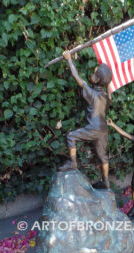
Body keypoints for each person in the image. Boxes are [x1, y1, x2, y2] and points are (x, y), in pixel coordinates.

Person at [58, 50, 112, 189]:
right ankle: (106, 181)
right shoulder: (106, 97)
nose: (92, 74)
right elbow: (109, 93)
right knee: (102, 156)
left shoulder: (91, 92)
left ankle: (73, 163)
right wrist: (108, 83)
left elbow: (77, 78)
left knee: (71, 136)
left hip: (93, 127)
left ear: (97, 79)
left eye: (94, 73)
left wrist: (69, 59)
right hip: (103, 129)